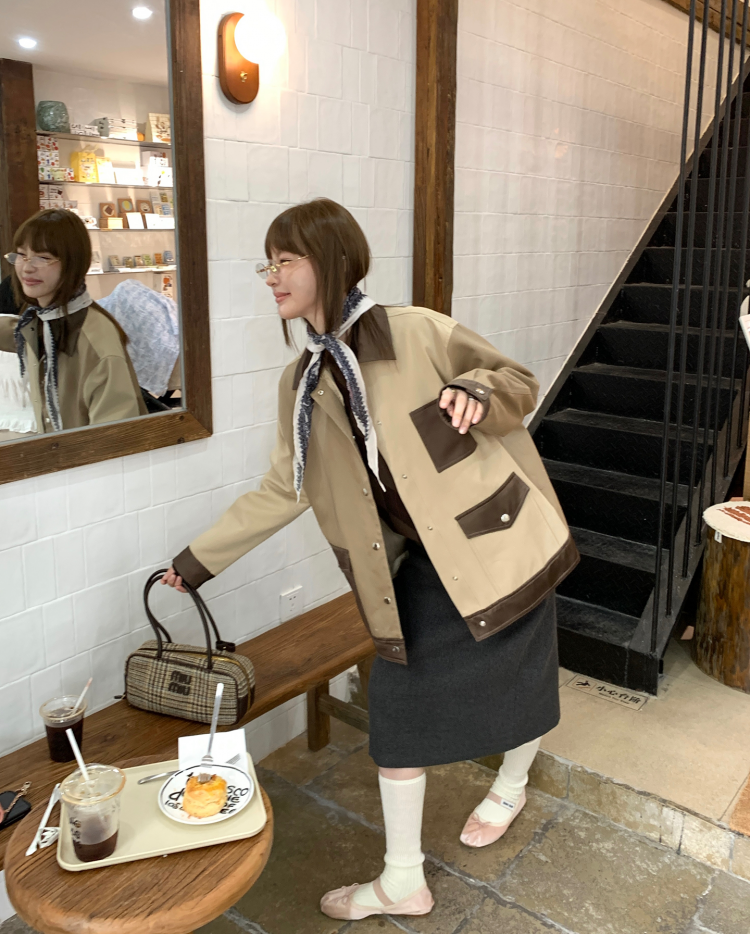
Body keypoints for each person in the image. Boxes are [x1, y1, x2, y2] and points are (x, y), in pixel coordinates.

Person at [161, 198, 578, 921]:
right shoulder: (301, 385)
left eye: (285, 260)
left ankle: (511, 786)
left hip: (496, 541)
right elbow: (285, 487)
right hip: (410, 569)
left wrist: (477, 390)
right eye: (268, 263)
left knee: (525, 677)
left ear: (330, 260)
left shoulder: (416, 331)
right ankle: (403, 879)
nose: (272, 276)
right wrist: (198, 560)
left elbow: (514, 380)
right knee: (395, 711)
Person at [0, 208, 146, 432]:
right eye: (21, 255)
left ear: (73, 263)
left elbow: (114, 439)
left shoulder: (97, 344)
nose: (27, 267)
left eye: (43, 258)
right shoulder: (43, 319)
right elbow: (18, 333)